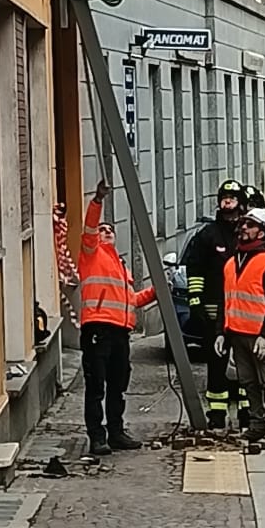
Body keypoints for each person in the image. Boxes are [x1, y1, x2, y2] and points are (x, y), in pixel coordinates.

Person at [78, 180, 157, 455]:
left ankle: (116, 431)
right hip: (98, 329)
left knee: (117, 385)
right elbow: (89, 228)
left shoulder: (119, 264)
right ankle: (97, 437)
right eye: (103, 229)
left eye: (110, 229)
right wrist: (97, 200)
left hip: (120, 332)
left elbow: (129, 300)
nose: (107, 231)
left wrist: (155, 292)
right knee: (96, 386)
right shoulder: (90, 253)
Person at [217, 206, 265, 450]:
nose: (244, 229)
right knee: (248, 382)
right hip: (237, 335)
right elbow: (225, 301)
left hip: (260, 336)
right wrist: (221, 332)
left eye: (250, 225)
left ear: (262, 232)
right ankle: (257, 426)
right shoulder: (231, 263)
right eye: (244, 225)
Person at [185, 179, 248, 429]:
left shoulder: (248, 233)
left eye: (232, 198)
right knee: (216, 364)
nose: (227, 202)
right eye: (224, 197)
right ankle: (217, 413)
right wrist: (196, 301)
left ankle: (247, 413)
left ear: (241, 202)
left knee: (244, 364)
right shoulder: (208, 235)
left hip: (243, 313)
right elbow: (195, 269)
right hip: (214, 311)